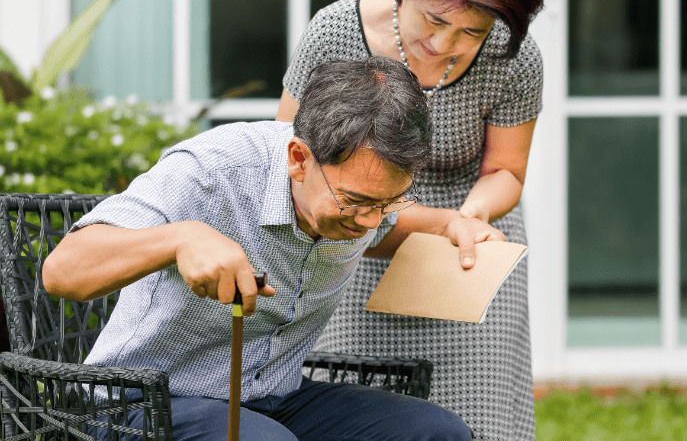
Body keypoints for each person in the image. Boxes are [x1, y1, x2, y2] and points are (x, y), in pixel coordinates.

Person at [42, 56, 502, 441]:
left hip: (274, 398)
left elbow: (397, 224)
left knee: (436, 432)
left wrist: (452, 224)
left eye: (387, 203)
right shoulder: (211, 171)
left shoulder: (364, 200)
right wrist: (181, 238)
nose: (368, 222)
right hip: (141, 403)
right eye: (356, 202)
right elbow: (63, 271)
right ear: (299, 159)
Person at [276, 0, 546, 440]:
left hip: (464, 257)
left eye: (471, 32)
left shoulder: (513, 56)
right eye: (435, 19)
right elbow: (286, 161)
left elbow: (506, 171)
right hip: (355, 241)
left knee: (477, 423)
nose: (445, 43)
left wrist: (469, 215)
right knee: (360, 421)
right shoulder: (333, 36)